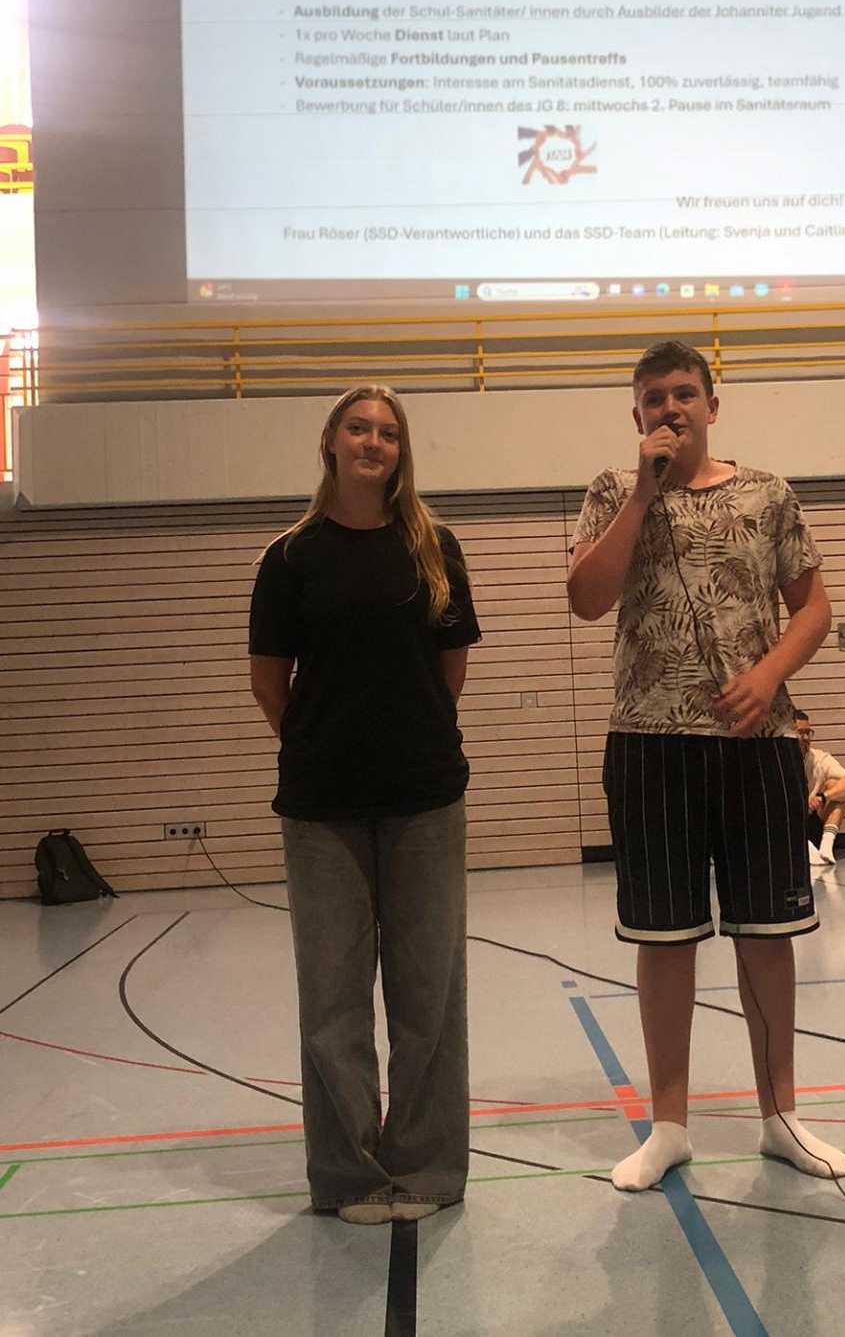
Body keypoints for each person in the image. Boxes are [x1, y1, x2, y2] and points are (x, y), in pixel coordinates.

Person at [567, 341, 845, 1192]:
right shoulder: (612, 491)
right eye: (655, 397)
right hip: (648, 745)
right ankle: (670, 1127)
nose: (671, 408)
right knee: (665, 939)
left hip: (756, 746)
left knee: (766, 934)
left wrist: (769, 674)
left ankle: (780, 1116)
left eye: (685, 393)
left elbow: (814, 607)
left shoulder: (767, 493)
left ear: (712, 405)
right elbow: (586, 598)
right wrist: (641, 493)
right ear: (637, 414)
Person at [248, 384, 481, 1226]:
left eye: (387, 431)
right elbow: (269, 682)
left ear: (399, 449)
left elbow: (449, 670)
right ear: (332, 442)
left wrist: (404, 739)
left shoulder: (435, 547)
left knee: (429, 995)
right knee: (333, 999)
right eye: (358, 427)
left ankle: (425, 1166)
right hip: (322, 811)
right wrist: (328, 746)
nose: (372, 441)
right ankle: (348, 1175)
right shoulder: (289, 557)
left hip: (425, 800)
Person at [794, 711, 845, 866]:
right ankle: (803, 846)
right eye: (800, 733)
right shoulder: (777, 760)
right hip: (789, 822)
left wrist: (823, 797)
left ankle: (826, 846)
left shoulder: (819, 758)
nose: (806, 738)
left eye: (808, 732)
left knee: (835, 788)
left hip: (812, 818)